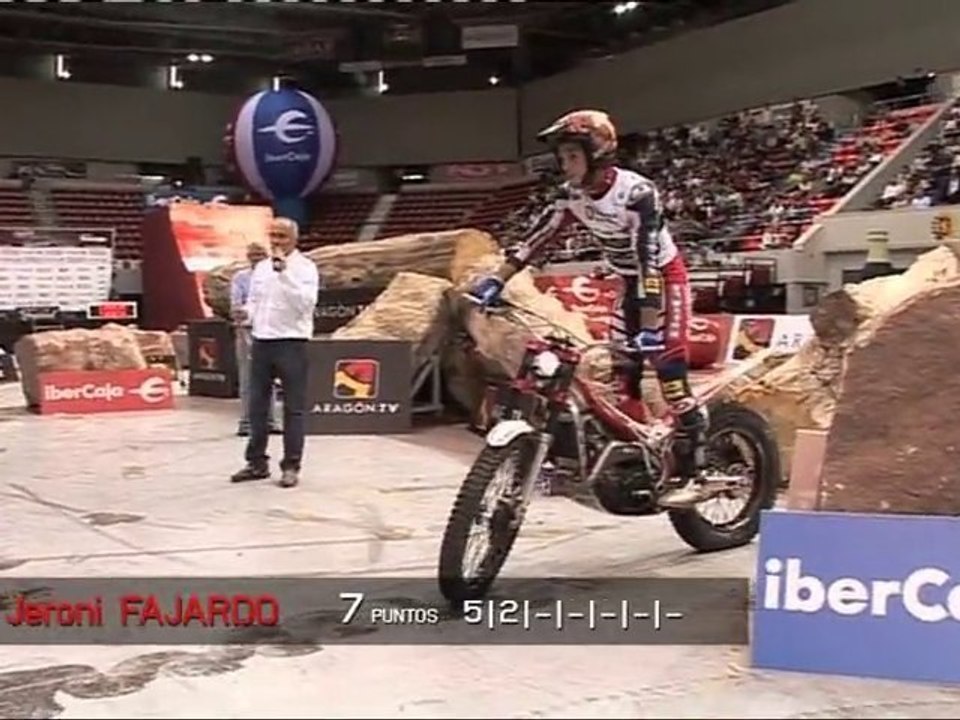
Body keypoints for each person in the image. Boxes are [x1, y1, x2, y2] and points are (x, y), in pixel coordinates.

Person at [467, 109, 707, 507]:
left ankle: (696, 470)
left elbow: (648, 260)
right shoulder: (571, 195)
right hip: (629, 281)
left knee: (668, 368)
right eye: (562, 158)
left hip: (664, 280)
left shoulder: (637, 193)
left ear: (597, 153)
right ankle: (641, 456)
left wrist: (649, 325)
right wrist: (497, 279)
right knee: (623, 371)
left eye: (572, 156)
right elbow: (538, 239)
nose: (565, 166)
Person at [230, 217, 320, 488]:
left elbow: (305, 304)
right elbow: (257, 302)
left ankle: (291, 465)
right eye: (273, 236)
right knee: (257, 406)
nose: (276, 242)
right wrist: (245, 314)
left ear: (294, 239)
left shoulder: (305, 268)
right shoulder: (261, 269)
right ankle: (256, 462)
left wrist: (285, 274)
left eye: (281, 236)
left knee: (294, 408)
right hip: (262, 341)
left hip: (292, 342)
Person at [230, 241, 279, 437]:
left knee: (270, 376)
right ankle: (246, 421)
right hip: (248, 330)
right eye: (254, 254)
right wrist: (242, 315)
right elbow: (236, 304)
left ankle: (270, 420)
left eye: (261, 254)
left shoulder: (276, 277)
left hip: (272, 330)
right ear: (248, 256)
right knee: (248, 377)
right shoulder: (240, 278)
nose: (257, 257)